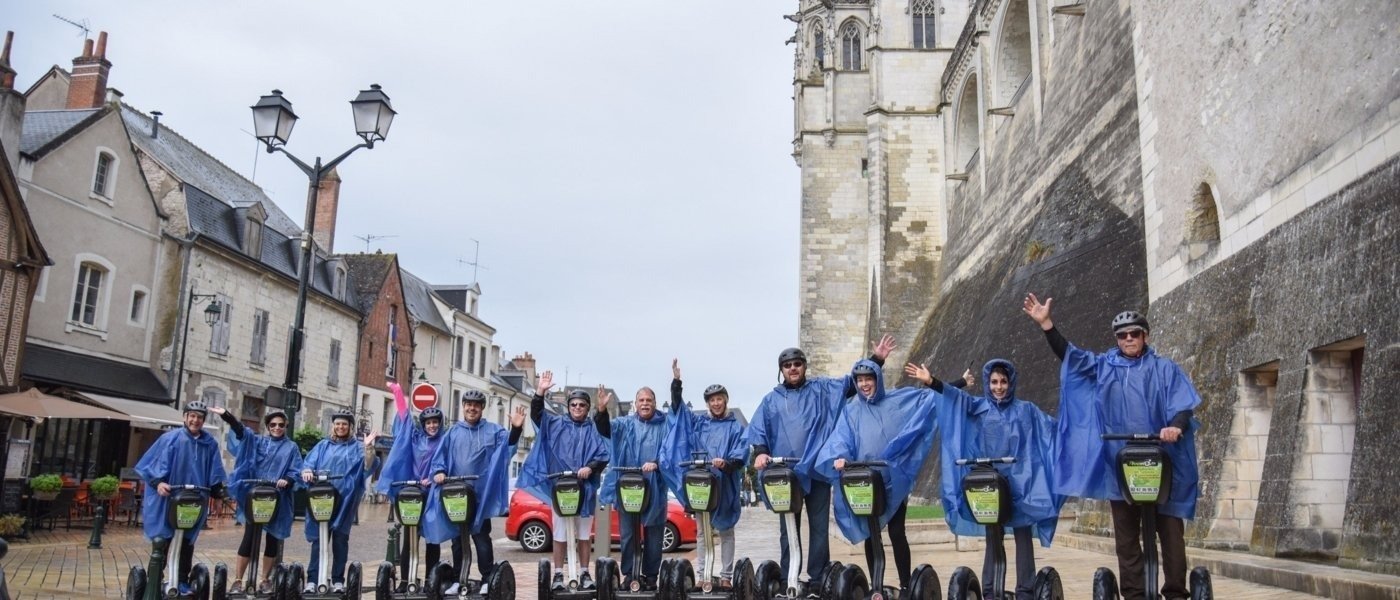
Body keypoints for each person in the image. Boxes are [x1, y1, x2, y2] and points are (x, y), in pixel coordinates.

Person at [1023, 293, 1201, 600]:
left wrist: (1176, 427)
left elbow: (1183, 406)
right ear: (1117, 339)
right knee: (1127, 537)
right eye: (1122, 335)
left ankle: (1175, 593)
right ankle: (1134, 595)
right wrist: (1047, 325)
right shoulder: (1105, 366)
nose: (1129, 338)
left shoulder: (1165, 369)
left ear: (1145, 336)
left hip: (1164, 461)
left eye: (1134, 333)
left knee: (1171, 532)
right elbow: (1072, 357)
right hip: (1123, 465)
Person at [905, 359, 1063, 600]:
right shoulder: (978, 407)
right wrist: (932, 382)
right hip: (990, 484)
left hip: (1021, 485)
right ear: (988, 384)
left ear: (1011, 383)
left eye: (1003, 382)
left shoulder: (1026, 410)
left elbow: (1051, 431)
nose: (999, 387)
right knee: (993, 535)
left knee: (1022, 534)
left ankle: (1025, 591)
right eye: (994, 382)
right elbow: (955, 398)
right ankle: (989, 592)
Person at [746, 335, 894, 584]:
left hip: (816, 471)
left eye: (797, 363)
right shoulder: (770, 400)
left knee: (818, 528)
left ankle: (818, 578)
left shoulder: (822, 389)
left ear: (804, 366)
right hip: (785, 474)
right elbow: (760, 429)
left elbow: (852, 384)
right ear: (781, 370)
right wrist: (761, 452)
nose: (792, 368)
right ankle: (788, 577)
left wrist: (876, 359)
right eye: (787, 365)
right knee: (788, 530)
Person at [814, 360, 940, 594]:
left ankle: (905, 586)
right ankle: (876, 588)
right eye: (859, 380)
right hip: (864, 482)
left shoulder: (897, 400)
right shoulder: (851, 409)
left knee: (896, 532)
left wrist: (946, 382)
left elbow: (930, 401)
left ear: (877, 380)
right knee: (871, 534)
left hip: (893, 482)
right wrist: (840, 457)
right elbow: (841, 437)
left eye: (868, 379)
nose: (864, 384)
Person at [423, 393, 526, 595]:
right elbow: (439, 459)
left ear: (482, 408)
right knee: (457, 539)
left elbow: (506, 449)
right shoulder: (452, 433)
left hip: (481, 495)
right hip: (455, 494)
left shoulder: (493, 431)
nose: (472, 408)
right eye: (468, 404)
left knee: (481, 537)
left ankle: (487, 578)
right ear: (463, 406)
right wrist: (439, 472)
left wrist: (516, 429)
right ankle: (457, 578)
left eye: (476, 405)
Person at [516, 370, 610, 590]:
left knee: (584, 534)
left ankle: (585, 573)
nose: (577, 408)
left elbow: (603, 454)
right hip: (561, 489)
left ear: (587, 408)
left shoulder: (592, 429)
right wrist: (540, 392)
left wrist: (590, 467)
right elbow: (537, 415)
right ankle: (558, 574)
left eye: (582, 405)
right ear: (568, 406)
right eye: (574, 404)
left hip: (584, 490)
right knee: (559, 534)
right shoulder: (555, 424)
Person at [660, 359, 747, 588]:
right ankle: (703, 575)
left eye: (719, 399)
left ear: (725, 400)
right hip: (701, 484)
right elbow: (680, 415)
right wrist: (677, 384)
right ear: (707, 403)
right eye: (712, 400)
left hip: (725, 484)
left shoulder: (735, 426)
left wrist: (727, 463)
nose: (716, 403)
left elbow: (741, 450)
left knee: (726, 530)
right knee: (702, 531)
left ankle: (727, 576)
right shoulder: (700, 423)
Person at [134, 401, 227, 595]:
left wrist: (218, 495)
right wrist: (158, 483)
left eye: (199, 417)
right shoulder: (170, 439)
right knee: (163, 540)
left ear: (203, 420)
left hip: (194, 499)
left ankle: (182, 581)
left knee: (187, 541)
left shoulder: (209, 443)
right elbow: (152, 467)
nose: (195, 420)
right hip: (169, 498)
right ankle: (155, 581)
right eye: (192, 416)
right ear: (185, 417)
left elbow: (215, 471)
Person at [214, 406, 302, 594]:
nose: (277, 428)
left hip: (277, 497)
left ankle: (265, 579)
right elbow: (243, 434)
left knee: (272, 540)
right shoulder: (258, 441)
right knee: (249, 536)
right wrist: (227, 416)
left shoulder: (291, 447)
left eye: (280, 425)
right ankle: (238, 580)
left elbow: (296, 470)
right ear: (268, 426)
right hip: (255, 496)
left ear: (285, 425)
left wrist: (287, 480)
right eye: (273, 424)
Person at [595, 380, 670, 590]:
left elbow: (670, 451)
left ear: (654, 403)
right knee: (628, 533)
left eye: (649, 400)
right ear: (635, 404)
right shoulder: (625, 424)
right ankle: (630, 574)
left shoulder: (665, 425)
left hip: (654, 486)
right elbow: (606, 431)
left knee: (654, 534)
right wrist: (601, 410)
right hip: (628, 485)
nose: (645, 403)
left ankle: (651, 576)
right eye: (641, 400)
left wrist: (656, 464)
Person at [375, 380, 446, 590]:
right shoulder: (415, 438)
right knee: (409, 537)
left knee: (432, 539)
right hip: (413, 493)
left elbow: (447, 463)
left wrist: (435, 476)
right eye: (428, 423)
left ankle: (429, 582)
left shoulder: (445, 440)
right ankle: (406, 581)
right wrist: (398, 393)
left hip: (433, 494)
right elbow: (405, 420)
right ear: (423, 425)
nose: (432, 425)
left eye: (435, 422)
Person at [300, 410, 379, 594]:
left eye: (344, 424)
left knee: (340, 540)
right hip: (321, 498)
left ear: (350, 427)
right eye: (337, 424)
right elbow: (308, 463)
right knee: (319, 541)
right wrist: (307, 471)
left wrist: (368, 449)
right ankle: (313, 579)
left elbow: (369, 466)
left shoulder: (356, 447)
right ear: (333, 426)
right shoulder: (322, 446)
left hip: (345, 500)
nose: (340, 427)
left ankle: (337, 580)